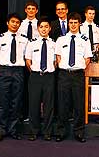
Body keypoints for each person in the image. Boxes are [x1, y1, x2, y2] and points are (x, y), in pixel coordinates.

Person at [55, 12, 93, 143]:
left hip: (78, 75)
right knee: (62, 104)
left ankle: (79, 132)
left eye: (75, 22)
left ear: (79, 24)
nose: (73, 25)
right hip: (64, 75)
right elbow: (58, 56)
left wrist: (79, 66)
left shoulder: (85, 40)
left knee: (78, 104)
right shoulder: (61, 39)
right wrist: (64, 66)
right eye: (70, 22)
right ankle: (61, 131)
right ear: (68, 23)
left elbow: (87, 58)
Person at [0, 12, 28, 143]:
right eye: (13, 22)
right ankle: (0, 130)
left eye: (17, 22)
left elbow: (26, 56)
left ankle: (13, 130)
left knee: (16, 101)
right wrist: (3, 69)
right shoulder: (0, 38)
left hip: (18, 71)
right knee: (2, 102)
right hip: (4, 71)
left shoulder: (24, 39)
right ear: (8, 23)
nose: (15, 24)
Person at [25, 16, 56, 141]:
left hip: (49, 77)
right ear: (38, 28)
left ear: (50, 28)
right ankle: (33, 131)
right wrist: (34, 71)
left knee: (49, 106)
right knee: (34, 105)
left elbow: (56, 61)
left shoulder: (54, 43)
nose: (43, 29)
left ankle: (47, 132)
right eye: (41, 27)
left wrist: (49, 70)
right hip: (35, 77)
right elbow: (28, 60)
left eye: (46, 27)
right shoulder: (31, 43)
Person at [17, 0, 39, 122]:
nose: (31, 11)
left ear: (36, 11)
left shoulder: (40, 24)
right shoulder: (20, 24)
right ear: (25, 10)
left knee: (35, 89)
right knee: (23, 88)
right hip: (22, 59)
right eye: (29, 8)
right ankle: (24, 113)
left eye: (33, 9)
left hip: (36, 60)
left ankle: (35, 114)